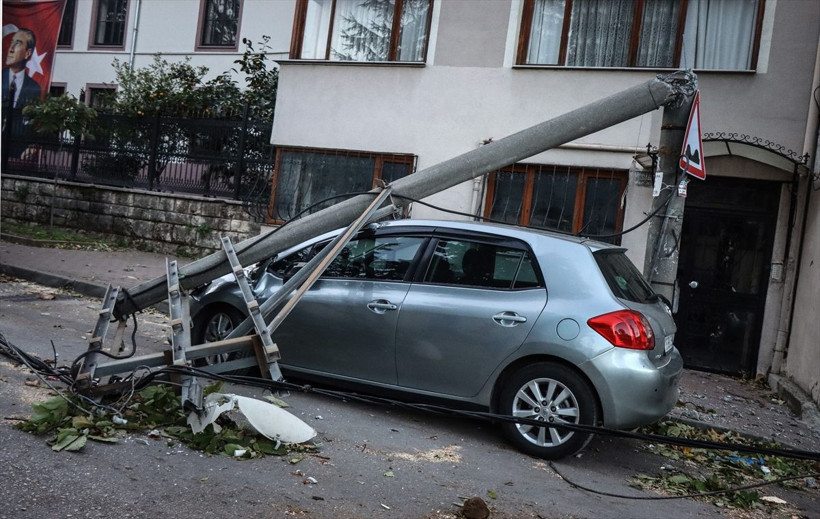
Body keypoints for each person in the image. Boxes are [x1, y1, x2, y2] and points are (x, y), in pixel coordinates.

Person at [3, 28, 43, 109]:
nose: (11, 49)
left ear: (27, 53)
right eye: (12, 42)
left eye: (17, 44)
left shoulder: (34, 88)